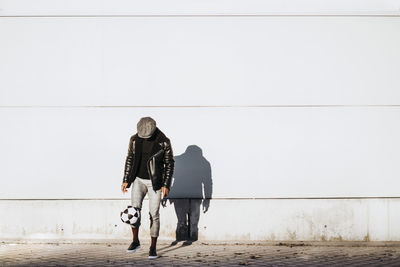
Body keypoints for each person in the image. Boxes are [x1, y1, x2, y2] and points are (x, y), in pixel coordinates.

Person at [121, 117, 175, 259]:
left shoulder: (164, 142)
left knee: (154, 214)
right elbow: (130, 159)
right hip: (138, 180)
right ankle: (135, 241)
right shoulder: (134, 139)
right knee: (134, 211)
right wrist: (126, 179)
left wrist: (165, 184)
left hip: (155, 182)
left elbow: (169, 163)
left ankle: (153, 247)